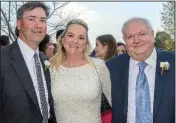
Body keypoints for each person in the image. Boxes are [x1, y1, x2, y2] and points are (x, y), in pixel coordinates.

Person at [106, 17, 175, 123]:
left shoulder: (173, 62)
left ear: (152, 34)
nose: (137, 40)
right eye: (130, 36)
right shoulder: (111, 67)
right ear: (125, 40)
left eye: (142, 34)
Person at [0, 2, 56, 123]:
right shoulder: (3, 58)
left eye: (42, 20)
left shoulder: (44, 60)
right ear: (19, 24)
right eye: (31, 19)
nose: (38, 25)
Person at [49, 19, 111, 123]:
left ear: (86, 43)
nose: (75, 41)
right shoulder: (52, 68)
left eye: (81, 37)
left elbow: (114, 100)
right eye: (70, 35)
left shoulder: (98, 66)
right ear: (62, 39)